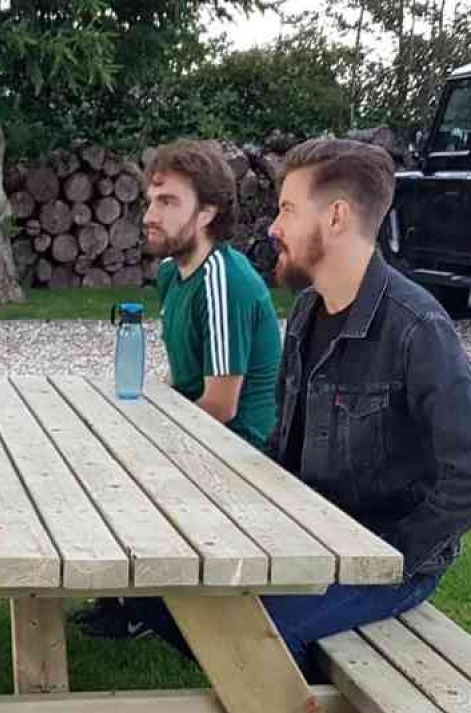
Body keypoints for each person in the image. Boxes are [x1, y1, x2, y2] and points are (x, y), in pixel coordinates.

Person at [114, 137, 471, 692]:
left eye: (289, 209)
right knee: (170, 590)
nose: (274, 226)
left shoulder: (416, 329)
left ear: (338, 217)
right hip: (312, 533)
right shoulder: (307, 312)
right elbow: (285, 447)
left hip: (385, 561)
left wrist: (392, 552)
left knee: (242, 630)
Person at [73, 138, 282, 639]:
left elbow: (222, 405)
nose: (151, 213)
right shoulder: (172, 273)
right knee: (92, 444)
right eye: (151, 200)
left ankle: (144, 607)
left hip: (242, 449)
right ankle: (122, 595)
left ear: (208, 212)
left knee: (119, 464)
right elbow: (182, 380)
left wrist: (151, 439)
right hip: (205, 429)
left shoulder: (223, 281)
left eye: (168, 203)